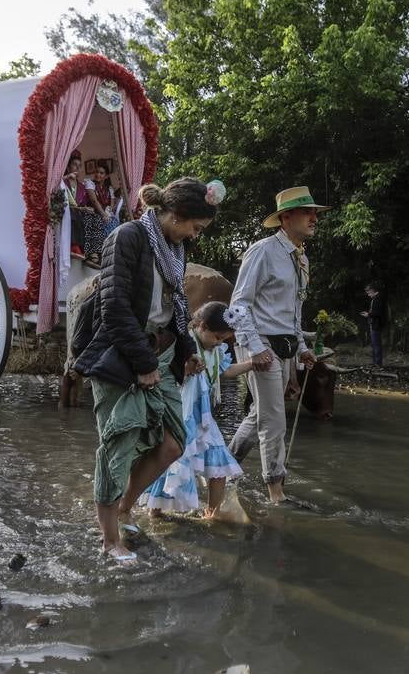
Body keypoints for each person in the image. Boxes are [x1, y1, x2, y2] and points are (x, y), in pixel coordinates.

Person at [72, 177, 223, 562]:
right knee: (117, 445)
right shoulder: (128, 237)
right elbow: (114, 306)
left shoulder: (175, 249)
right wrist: (142, 364)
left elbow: (179, 309)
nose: (194, 234)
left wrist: (189, 349)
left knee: (174, 442)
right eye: (195, 226)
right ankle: (109, 540)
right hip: (122, 352)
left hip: (159, 353)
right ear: (176, 214)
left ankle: (124, 509)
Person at [229, 186, 329, 504]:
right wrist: (256, 347)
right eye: (307, 212)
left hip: (284, 345)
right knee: (274, 420)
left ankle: (223, 467)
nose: (314, 218)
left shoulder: (301, 258)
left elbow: (294, 311)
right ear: (286, 218)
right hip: (259, 344)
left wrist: (302, 348)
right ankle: (276, 492)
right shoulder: (262, 251)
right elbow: (238, 304)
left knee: (261, 414)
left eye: (315, 213)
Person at [143, 301, 256, 519]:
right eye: (217, 337)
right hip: (181, 415)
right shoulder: (186, 346)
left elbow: (224, 371)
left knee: (220, 465)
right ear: (201, 327)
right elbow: (168, 376)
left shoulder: (215, 350)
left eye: (223, 339)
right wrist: (186, 369)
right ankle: (154, 510)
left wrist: (251, 364)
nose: (219, 343)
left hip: (204, 420)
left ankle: (212, 513)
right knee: (170, 465)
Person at [64, 151, 106, 268]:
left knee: (95, 218)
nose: (77, 167)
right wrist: (67, 177)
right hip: (67, 211)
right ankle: (76, 247)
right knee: (75, 215)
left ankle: (93, 253)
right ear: (68, 167)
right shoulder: (63, 181)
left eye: (79, 165)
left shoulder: (82, 187)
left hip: (79, 212)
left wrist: (88, 208)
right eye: (74, 165)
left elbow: (86, 203)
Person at [360, 282, 388, 367]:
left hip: (377, 325)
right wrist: (369, 313)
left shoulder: (379, 299)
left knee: (376, 345)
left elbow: (378, 313)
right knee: (374, 344)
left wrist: (368, 315)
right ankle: (375, 363)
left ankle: (378, 364)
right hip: (374, 324)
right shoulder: (376, 299)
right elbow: (375, 311)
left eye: (369, 293)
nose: (368, 295)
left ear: (373, 291)